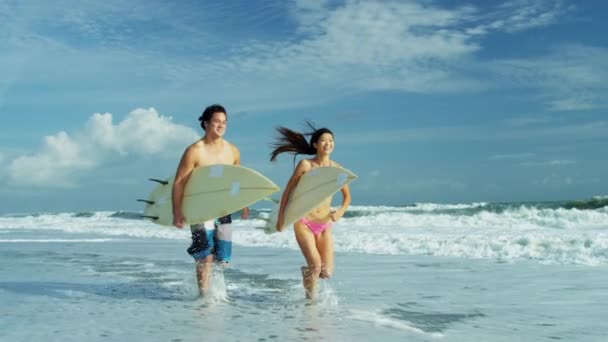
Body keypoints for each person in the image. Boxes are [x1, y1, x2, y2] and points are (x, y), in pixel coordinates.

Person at [172, 104, 249, 296]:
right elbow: (179, 182)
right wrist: (177, 211)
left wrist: (244, 204)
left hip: (223, 209)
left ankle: (216, 292)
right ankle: (204, 296)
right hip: (200, 209)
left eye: (224, 122)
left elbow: (237, 180)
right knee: (204, 255)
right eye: (216, 121)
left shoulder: (233, 151)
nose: (221, 125)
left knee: (222, 258)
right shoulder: (195, 151)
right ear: (205, 123)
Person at [269, 122, 351, 299]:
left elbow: (347, 197)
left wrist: (340, 211)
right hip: (304, 222)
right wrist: (281, 218)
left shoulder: (337, 169)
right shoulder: (306, 165)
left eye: (331, 140)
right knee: (315, 265)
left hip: (324, 224)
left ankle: (306, 273)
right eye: (323, 140)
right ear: (315, 144)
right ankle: (310, 303)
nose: (327, 144)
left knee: (326, 272)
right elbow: (288, 191)